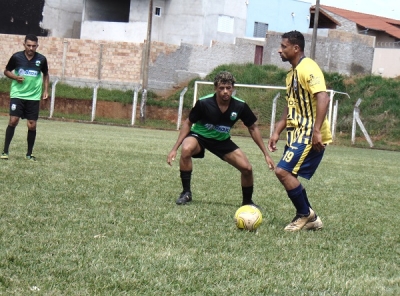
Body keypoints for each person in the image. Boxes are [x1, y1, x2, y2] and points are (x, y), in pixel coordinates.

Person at [167, 71, 275, 206]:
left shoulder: (240, 106)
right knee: (186, 149)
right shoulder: (204, 103)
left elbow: (253, 128)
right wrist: (174, 148)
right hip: (199, 137)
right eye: (221, 88)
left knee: (247, 168)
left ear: (233, 88)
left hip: (222, 141)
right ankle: (186, 193)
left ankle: (247, 202)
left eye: (228, 88)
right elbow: (188, 122)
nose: (225, 92)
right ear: (215, 89)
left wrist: (266, 154)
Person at [268, 30, 332, 232]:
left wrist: (316, 131)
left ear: (296, 48)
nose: (279, 50)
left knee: (282, 171)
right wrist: (278, 130)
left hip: (308, 134)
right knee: (288, 174)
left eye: (283, 46)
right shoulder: (291, 74)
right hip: (296, 133)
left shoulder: (308, 67)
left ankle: (305, 214)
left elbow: (323, 97)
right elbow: (291, 105)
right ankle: (309, 216)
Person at [1, 34, 49, 161]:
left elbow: (45, 74)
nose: (31, 48)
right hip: (18, 94)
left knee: (32, 125)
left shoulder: (42, 59)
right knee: (13, 120)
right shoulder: (17, 57)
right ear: (24, 45)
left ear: (37, 46)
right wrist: (16, 77)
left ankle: (29, 154)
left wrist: (46, 90)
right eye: (29, 45)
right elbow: (6, 71)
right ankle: (5, 151)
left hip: (33, 96)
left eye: (34, 46)